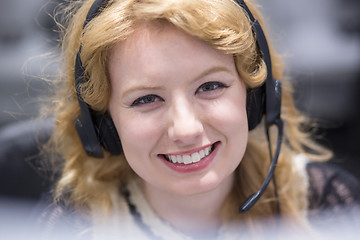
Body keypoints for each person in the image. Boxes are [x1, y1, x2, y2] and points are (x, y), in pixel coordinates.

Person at [37, 0, 360, 239]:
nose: (186, 129)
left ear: (256, 97)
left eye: (210, 86)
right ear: (103, 125)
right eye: (146, 99)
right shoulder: (75, 224)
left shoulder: (324, 205)